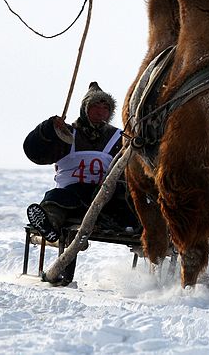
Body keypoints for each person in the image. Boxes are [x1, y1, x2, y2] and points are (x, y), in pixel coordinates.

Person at [24, 82, 140, 246]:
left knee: (129, 204)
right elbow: (35, 152)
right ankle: (49, 224)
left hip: (105, 197)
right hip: (72, 194)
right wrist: (48, 129)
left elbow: (134, 165)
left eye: (106, 108)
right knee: (56, 199)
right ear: (85, 109)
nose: (101, 112)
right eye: (95, 107)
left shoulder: (118, 138)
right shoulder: (65, 134)